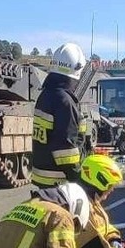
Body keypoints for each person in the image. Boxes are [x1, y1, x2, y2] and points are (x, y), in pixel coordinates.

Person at [31, 42, 86, 188]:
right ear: (76, 70)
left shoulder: (45, 95)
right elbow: (66, 149)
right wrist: (79, 180)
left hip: (42, 177)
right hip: (60, 181)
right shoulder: (65, 101)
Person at [75, 153, 125, 248]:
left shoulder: (90, 200)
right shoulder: (83, 207)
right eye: (110, 185)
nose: (112, 189)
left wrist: (114, 238)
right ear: (99, 181)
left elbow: (104, 225)